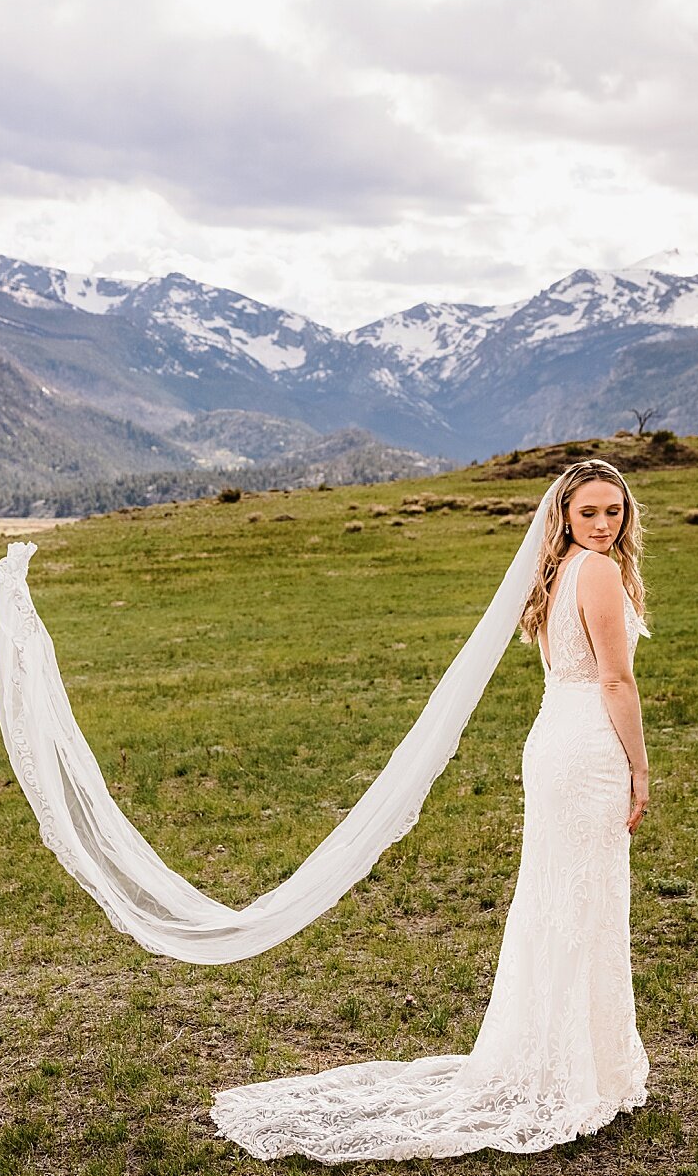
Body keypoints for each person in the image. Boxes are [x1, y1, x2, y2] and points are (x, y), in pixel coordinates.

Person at [209, 458, 652, 1160]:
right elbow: (618, 680)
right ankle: (572, 1069)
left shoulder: (560, 569)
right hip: (589, 745)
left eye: (614, 512)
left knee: (560, 900)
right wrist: (641, 767)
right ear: (564, 514)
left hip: (553, 742)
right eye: (590, 512)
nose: (603, 525)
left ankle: (563, 1059)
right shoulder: (595, 571)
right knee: (581, 899)